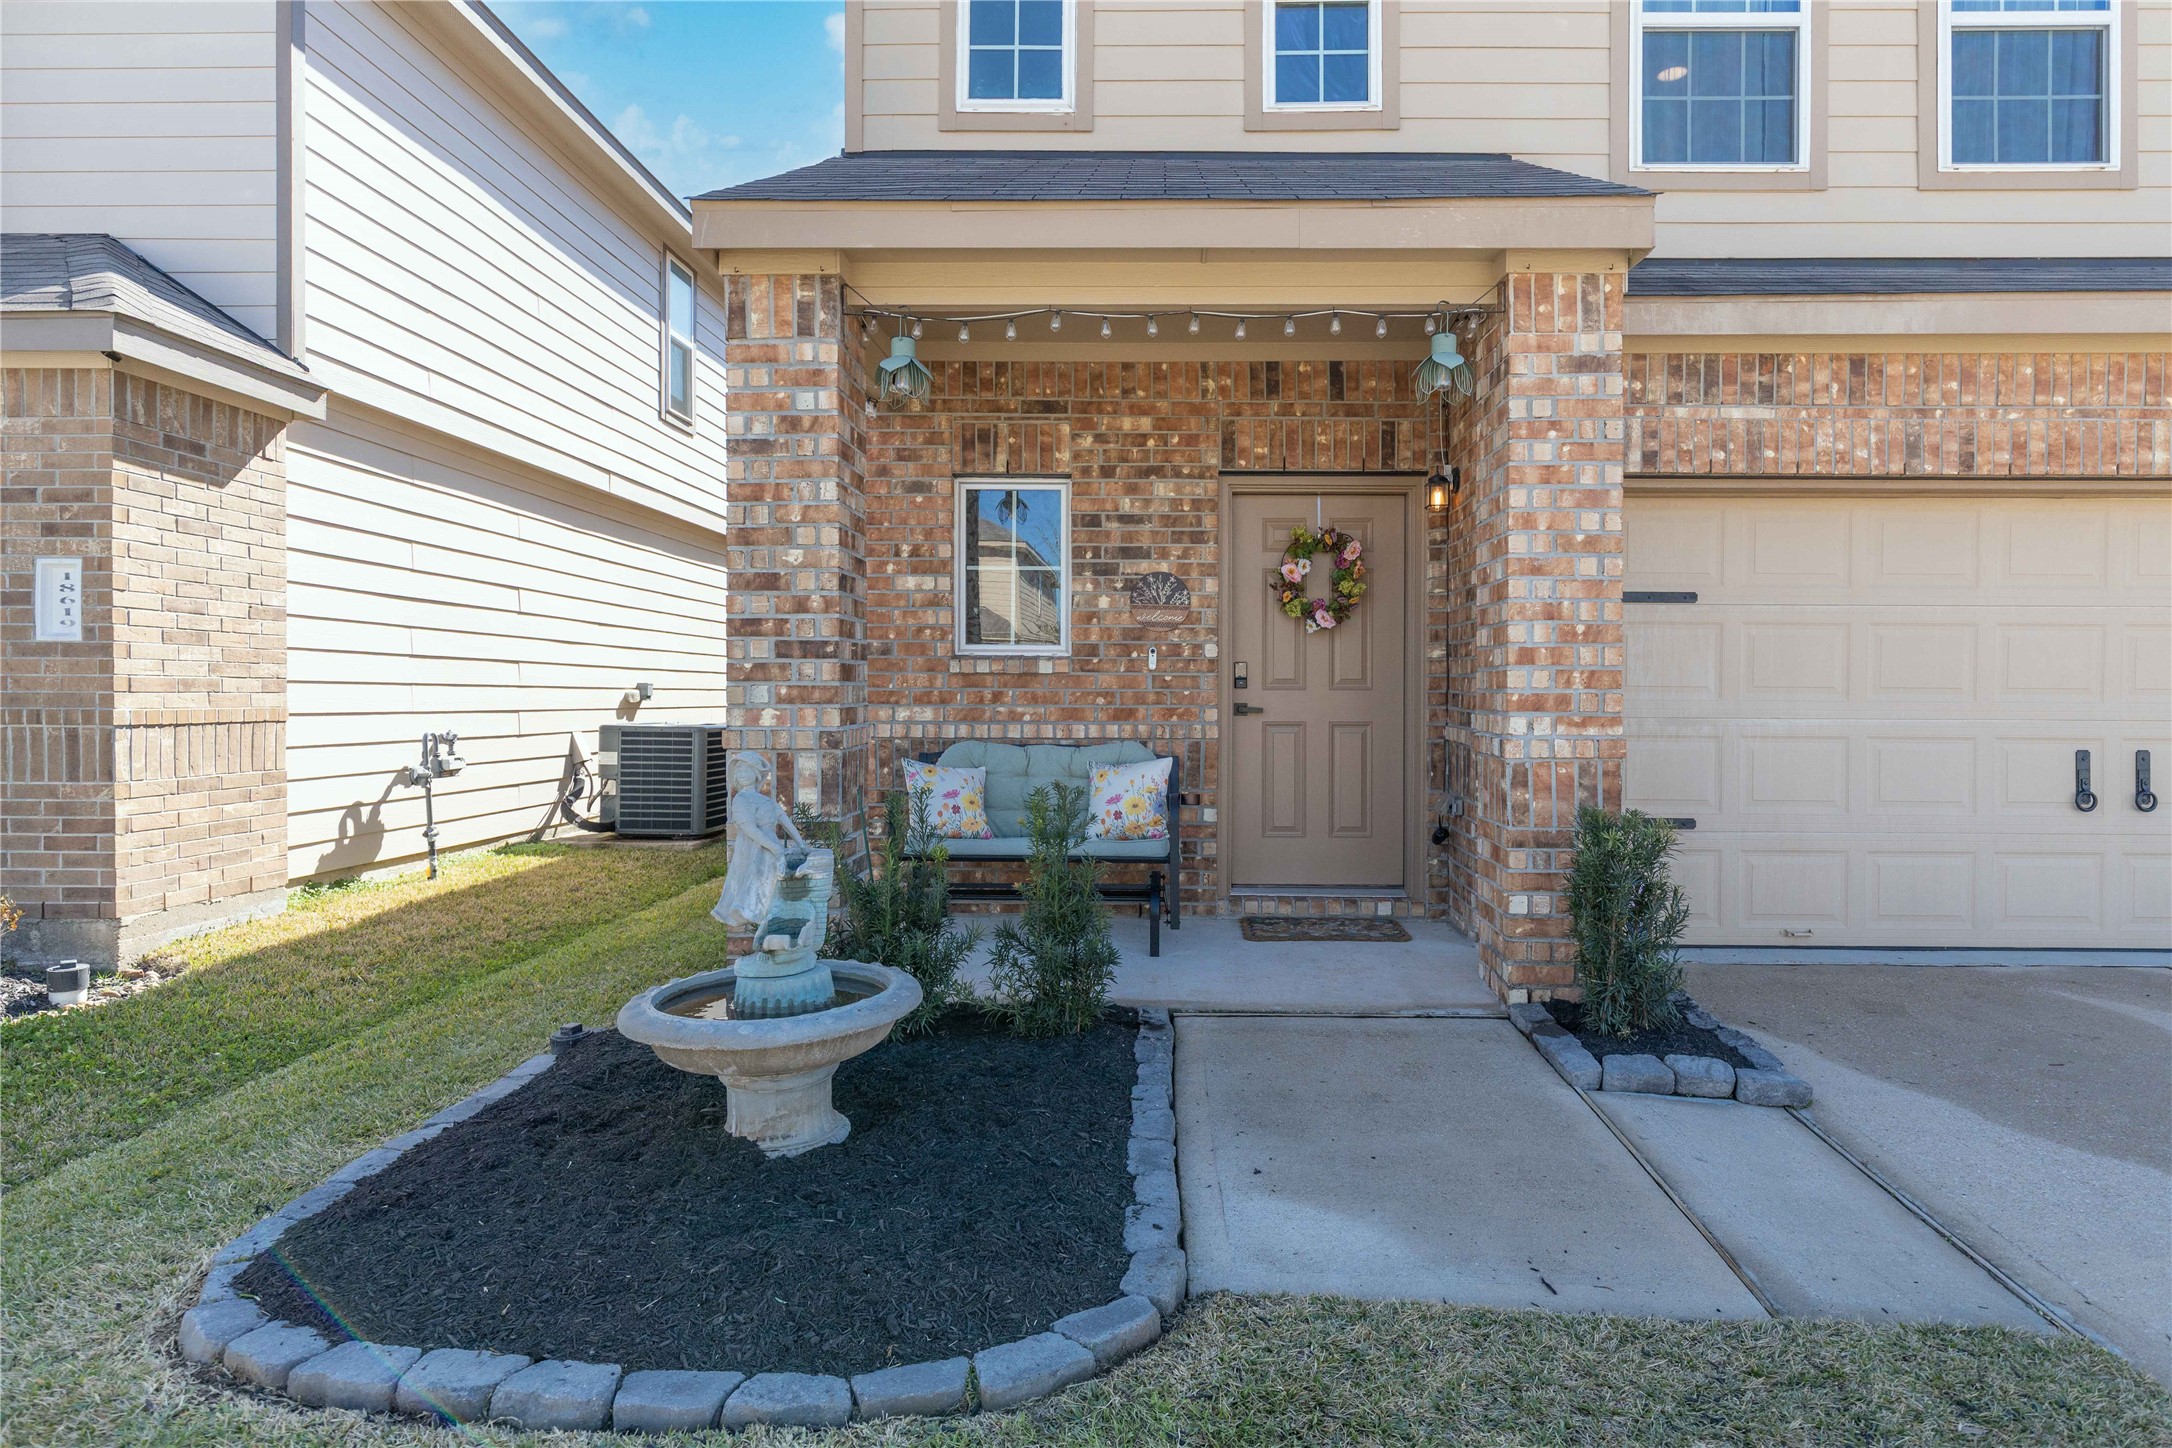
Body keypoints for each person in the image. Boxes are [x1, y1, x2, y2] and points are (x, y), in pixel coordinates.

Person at [710, 755, 810, 931]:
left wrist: (801, 843)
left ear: (757, 774)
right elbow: (751, 831)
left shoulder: (765, 800)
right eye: (739, 770)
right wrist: (777, 849)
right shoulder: (741, 800)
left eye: (746, 769)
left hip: (769, 851)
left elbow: (783, 818)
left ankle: (772, 927)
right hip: (752, 850)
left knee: (769, 889)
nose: (742, 773)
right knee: (755, 887)